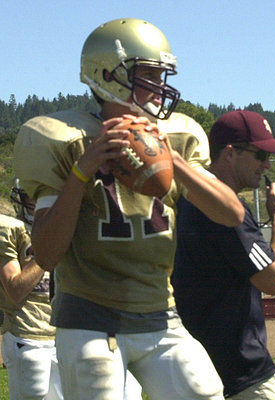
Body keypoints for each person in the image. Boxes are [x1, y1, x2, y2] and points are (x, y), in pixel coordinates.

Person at [14, 18, 244, 400]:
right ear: (106, 74)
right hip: (89, 315)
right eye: (148, 74)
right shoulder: (64, 139)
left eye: (161, 75)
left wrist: (175, 162)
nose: (159, 87)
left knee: (203, 392)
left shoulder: (178, 136)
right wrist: (80, 173)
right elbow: (48, 251)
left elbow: (231, 214)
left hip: (160, 312)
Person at [172, 110, 275, 399]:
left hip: (192, 366)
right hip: (240, 369)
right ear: (229, 153)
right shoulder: (225, 209)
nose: (267, 164)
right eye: (260, 154)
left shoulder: (187, 199)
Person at [0, 179, 63, 400]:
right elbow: (15, 290)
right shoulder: (9, 228)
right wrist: (47, 250)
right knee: (32, 395)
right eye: (33, 195)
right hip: (27, 334)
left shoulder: (65, 227)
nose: (39, 202)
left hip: (63, 333)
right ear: (21, 197)